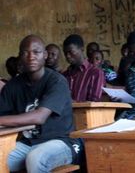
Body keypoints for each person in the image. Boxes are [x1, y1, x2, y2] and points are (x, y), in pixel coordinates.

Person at [0, 35, 81, 172]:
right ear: (20, 57)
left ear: (45, 55)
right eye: (26, 52)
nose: (31, 57)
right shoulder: (13, 86)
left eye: (36, 52)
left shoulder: (57, 81)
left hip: (61, 142)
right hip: (27, 143)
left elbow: (39, 117)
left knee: (35, 158)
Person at [62, 34, 105, 102]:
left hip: (86, 112)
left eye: (71, 52)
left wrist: (73, 103)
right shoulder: (64, 76)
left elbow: (94, 104)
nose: (68, 56)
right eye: (65, 53)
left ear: (82, 49)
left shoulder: (95, 73)